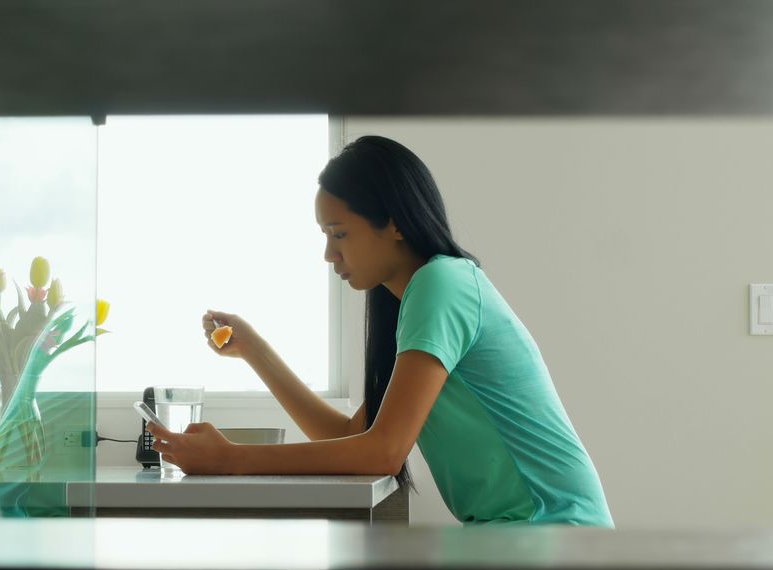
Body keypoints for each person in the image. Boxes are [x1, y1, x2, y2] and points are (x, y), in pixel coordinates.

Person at [145, 135, 614, 527]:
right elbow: (354, 436)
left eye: (339, 233)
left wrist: (230, 460)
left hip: (552, 530)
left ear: (391, 223)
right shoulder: (418, 298)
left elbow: (383, 452)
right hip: (518, 533)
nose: (329, 255)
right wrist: (256, 351)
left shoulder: (442, 283)